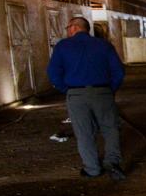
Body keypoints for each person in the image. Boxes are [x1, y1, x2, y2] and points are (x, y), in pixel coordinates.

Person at [46, 16, 126, 180]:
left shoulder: (63, 46)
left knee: (84, 132)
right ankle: (112, 163)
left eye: (68, 28)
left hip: (76, 94)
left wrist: (67, 90)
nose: (68, 31)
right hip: (103, 92)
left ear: (74, 28)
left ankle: (92, 169)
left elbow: (53, 73)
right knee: (110, 129)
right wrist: (110, 90)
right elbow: (118, 71)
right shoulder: (104, 45)